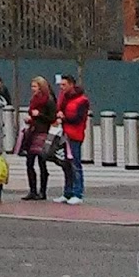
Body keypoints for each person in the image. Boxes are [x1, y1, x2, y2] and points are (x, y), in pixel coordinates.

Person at [18, 76, 56, 201]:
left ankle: (43, 191)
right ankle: (32, 190)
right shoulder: (34, 99)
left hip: (42, 132)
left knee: (41, 162)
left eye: (35, 86)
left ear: (41, 87)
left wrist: (39, 115)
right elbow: (32, 113)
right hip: (33, 131)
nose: (32, 89)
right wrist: (30, 119)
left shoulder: (49, 101)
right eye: (32, 86)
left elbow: (52, 118)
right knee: (29, 162)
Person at [56, 73, 90, 204]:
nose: (62, 87)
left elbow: (78, 119)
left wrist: (64, 118)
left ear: (71, 85)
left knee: (75, 164)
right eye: (61, 85)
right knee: (66, 165)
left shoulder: (82, 101)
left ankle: (78, 193)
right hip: (65, 134)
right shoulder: (64, 98)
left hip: (75, 135)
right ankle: (67, 192)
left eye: (64, 85)